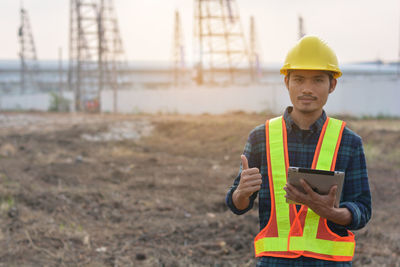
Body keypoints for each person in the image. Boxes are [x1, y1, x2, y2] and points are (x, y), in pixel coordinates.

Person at [225, 35, 372, 266]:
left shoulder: (349, 142)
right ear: (287, 82)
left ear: (332, 85)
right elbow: (237, 205)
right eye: (299, 79)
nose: (307, 89)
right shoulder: (261, 137)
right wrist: (242, 192)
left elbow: (362, 210)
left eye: (317, 80)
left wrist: (330, 212)